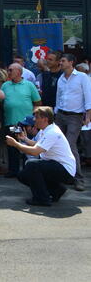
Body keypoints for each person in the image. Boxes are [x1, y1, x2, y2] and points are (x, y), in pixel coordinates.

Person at [6, 106, 76, 206]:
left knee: (32, 165)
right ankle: (57, 190)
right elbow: (37, 144)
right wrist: (24, 139)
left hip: (65, 170)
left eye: (37, 117)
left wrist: (15, 144)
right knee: (23, 175)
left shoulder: (52, 132)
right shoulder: (46, 130)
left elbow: (35, 152)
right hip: (56, 166)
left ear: (45, 119)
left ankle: (42, 199)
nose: (34, 120)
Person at [55, 53, 91, 191]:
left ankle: (78, 178)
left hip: (75, 116)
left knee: (70, 145)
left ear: (71, 62)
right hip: (61, 115)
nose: (61, 63)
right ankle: (64, 176)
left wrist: (88, 115)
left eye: (63, 61)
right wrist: (56, 113)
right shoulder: (61, 78)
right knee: (58, 144)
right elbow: (58, 97)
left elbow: (88, 96)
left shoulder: (82, 77)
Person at [2, 63, 41, 178]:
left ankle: (27, 171)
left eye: (10, 70)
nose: (8, 72)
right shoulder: (5, 85)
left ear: (19, 72)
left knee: (27, 148)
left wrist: (34, 121)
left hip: (25, 124)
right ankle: (13, 170)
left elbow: (38, 103)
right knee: (12, 147)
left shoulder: (29, 85)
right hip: (11, 122)